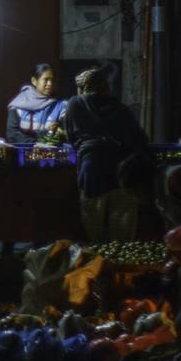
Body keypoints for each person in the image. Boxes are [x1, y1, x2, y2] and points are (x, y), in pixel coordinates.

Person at [64, 66, 152, 242]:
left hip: (93, 172)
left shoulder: (75, 103)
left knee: (95, 234)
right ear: (106, 86)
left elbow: (71, 137)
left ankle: (99, 267)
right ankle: (119, 268)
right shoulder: (122, 109)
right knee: (121, 237)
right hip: (122, 174)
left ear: (83, 88)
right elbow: (141, 139)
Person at [6, 63, 68, 144]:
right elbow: (12, 134)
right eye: (46, 79)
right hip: (22, 154)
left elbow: (63, 133)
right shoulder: (19, 104)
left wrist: (51, 133)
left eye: (52, 80)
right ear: (34, 81)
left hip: (51, 155)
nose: (50, 84)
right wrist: (36, 143)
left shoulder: (61, 106)